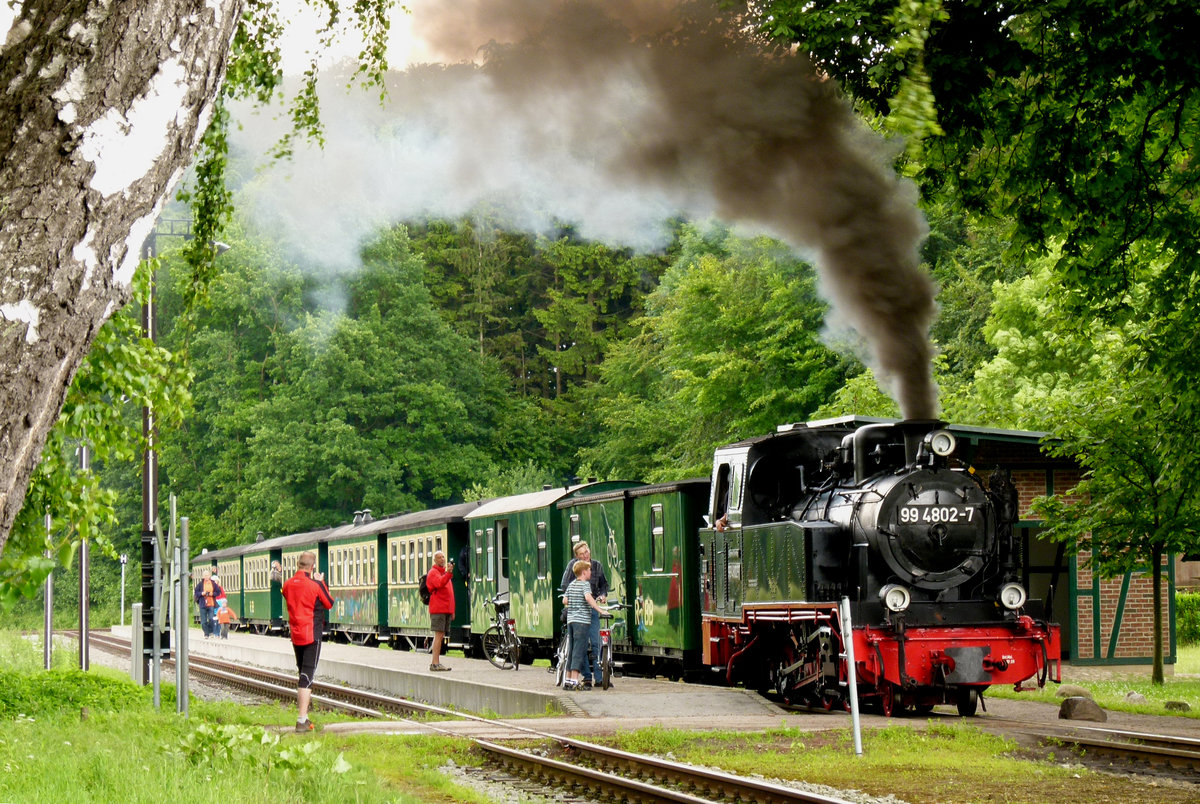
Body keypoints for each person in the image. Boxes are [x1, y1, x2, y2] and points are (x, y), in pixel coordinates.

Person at [281, 551, 334, 732]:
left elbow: (290, 598)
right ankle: (301, 720)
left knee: (302, 673)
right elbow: (329, 603)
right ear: (312, 567)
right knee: (307, 675)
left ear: (297, 564)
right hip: (311, 634)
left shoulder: (287, 585)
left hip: (295, 634)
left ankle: (303, 716)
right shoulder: (314, 585)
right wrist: (321, 582)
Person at [558, 540, 609, 690]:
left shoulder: (597, 566)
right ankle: (587, 677)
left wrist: (603, 595)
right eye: (582, 554)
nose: (585, 555)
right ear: (577, 557)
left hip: (587, 611)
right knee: (582, 646)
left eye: (587, 552)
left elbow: (603, 585)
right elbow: (565, 587)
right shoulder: (574, 569)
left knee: (595, 642)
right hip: (581, 611)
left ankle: (599, 678)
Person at [426, 550, 455, 671]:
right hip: (438, 609)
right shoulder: (433, 573)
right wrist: (448, 573)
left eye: (443, 557)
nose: (442, 559)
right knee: (438, 635)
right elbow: (439, 584)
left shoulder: (444, 574)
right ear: (435, 560)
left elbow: (450, 594)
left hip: (445, 609)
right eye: (439, 557)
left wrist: (452, 610)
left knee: (441, 635)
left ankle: (436, 662)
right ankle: (435, 663)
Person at [193, 568, 224, 639]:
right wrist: (202, 593)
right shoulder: (200, 584)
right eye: (205, 575)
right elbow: (196, 593)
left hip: (211, 604)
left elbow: (218, 592)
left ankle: (210, 632)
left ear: (209, 576)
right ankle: (206, 633)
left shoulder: (213, 584)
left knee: (211, 618)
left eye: (207, 575)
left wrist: (212, 594)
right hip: (203, 604)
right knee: (203, 621)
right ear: (203, 576)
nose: (206, 577)